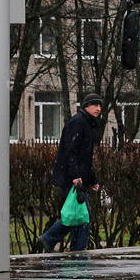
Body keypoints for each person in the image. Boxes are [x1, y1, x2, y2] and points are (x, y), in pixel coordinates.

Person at [37, 94, 103, 252]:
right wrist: (76, 177)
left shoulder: (86, 123)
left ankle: (75, 248)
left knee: (78, 215)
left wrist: (92, 178)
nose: (98, 109)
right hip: (72, 179)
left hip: (77, 178)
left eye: (100, 106)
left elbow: (85, 157)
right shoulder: (79, 122)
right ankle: (52, 239)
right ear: (86, 106)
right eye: (95, 105)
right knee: (78, 215)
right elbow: (71, 152)